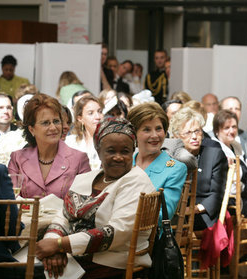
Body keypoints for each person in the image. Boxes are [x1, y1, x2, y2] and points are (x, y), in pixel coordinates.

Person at [36, 118, 156, 278]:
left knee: (36, 273)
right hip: (75, 256)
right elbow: (63, 217)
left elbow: (118, 231)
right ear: (98, 151)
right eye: (111, 151)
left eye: (125, 151)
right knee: (27, 268)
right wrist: (54, 244)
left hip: (111, 261)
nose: (118, 157)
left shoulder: (137, 180)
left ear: (133, 151)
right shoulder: (85, 178)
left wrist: (59, 245)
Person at [8, 94, 91, 199]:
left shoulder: (79, 159)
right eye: (45, 123)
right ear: (31, 129)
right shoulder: (17, 159)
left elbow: (84, 203)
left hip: (63, 215)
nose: (53, 128)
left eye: (56, 121)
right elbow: (11, 200)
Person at [128, 102, 188, 222]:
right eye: (147, 130)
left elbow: (164, 215)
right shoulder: (125, 163)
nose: (154, 135)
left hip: (150, 236)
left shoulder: (175, 169)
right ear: (134, 133)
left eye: (158, 129)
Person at [169, 107, 227, 230]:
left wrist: (193, 209)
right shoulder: (171, 157)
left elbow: (217, 194)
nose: (194, 136)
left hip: (202, 213)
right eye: (188, 133)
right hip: (176, 211)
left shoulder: (214, 155)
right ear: (176, 136)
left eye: (198, 131)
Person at [65, 96, 104, 168]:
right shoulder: (70, 142)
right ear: (80, 118)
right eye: (91, 113)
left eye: (100, 111)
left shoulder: (109, 141)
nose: (98, 117)